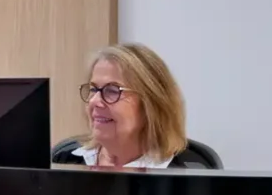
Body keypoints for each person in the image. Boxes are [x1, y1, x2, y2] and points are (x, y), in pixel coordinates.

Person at [69, 42, 190, 171]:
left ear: (151, 103)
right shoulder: (64, 161)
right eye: (93, 90)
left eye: (112, 90)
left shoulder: (184, 177)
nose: (94, 101)